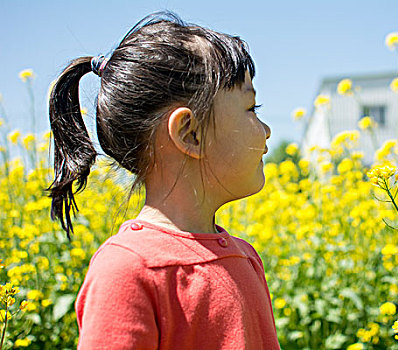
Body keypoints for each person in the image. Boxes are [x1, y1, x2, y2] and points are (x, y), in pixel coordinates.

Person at [47, 10, 279, 349]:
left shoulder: (247, 258)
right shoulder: (128, 270)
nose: (267, 130)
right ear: (190, 134)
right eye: (251, 109)